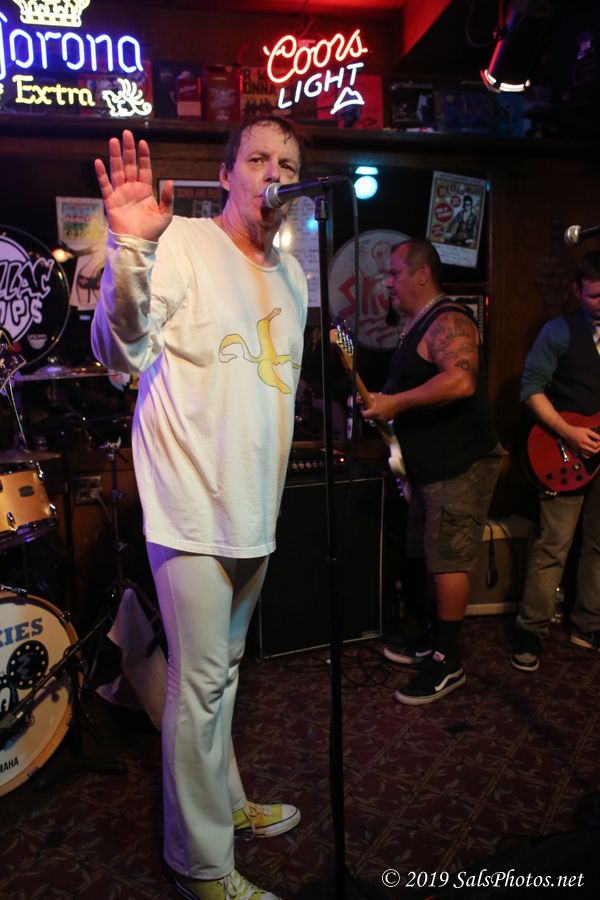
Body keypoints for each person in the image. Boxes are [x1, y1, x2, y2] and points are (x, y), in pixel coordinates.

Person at [91, 117, 308, 900]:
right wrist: (129, 248)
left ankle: (226, 804)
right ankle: (200, 866)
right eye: (258, 159)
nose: (274, 173)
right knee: (200, 683)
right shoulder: (179, 242)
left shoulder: (293, 274)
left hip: (255, 508)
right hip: (190, 506)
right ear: (226, 174)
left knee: (223, 676)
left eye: (288, 164)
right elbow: (118, 353)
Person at [361, 239, 501, 705]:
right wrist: (381, 402)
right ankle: (431, 637)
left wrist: (396, 402)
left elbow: (461, 380)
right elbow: (411, 386)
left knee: (447, 561)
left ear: (422, 274)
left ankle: (449, 660)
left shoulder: (449, 319)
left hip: (459, 464)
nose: (388, 282)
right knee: (426, 554)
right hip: (429, 466)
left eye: (395, 273)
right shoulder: (417, 323)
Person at [512, 251, 600, 672]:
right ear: (576, 290)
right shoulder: (558, 331)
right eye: (596, 295)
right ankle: (530, 631)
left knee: (599, 545)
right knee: (553, 546)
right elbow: (530, 389)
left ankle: (588, 625)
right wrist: (569, 433)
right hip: (565, 451)